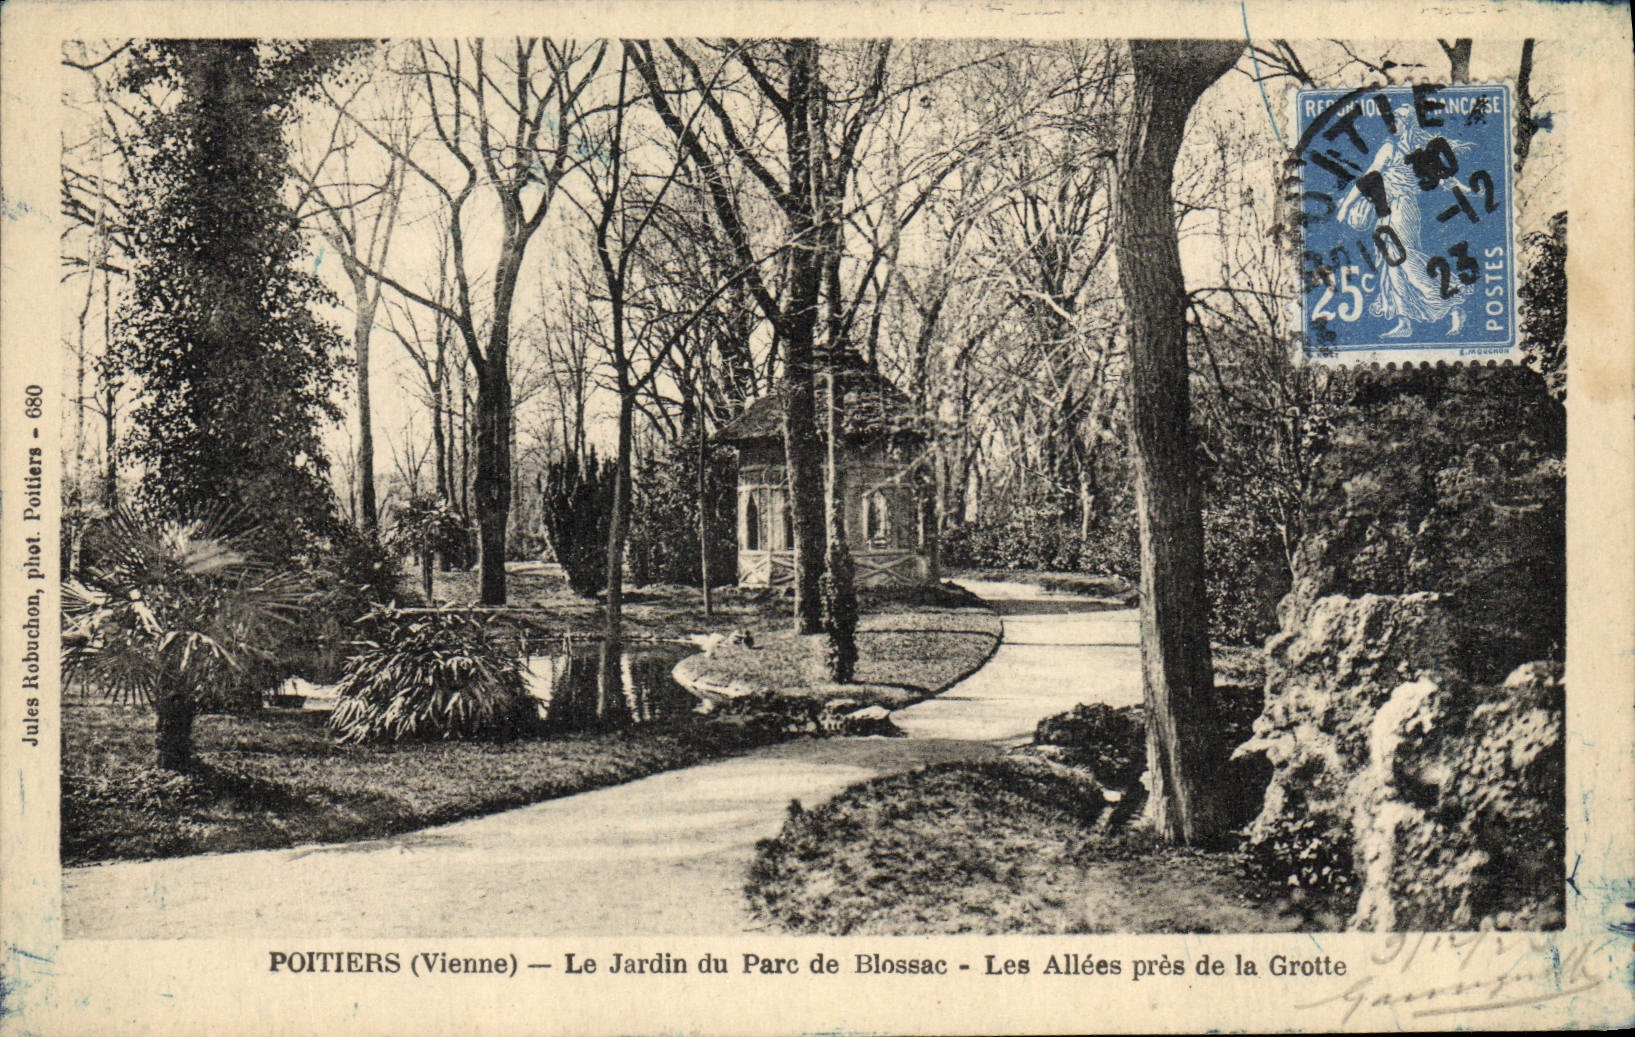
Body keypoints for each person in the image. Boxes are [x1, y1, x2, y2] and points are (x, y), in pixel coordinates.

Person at [1335, 104, 1472, 338]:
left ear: (1407, 123)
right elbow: (1370, 177)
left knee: (1405, 259)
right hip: (1385, 210)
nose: (1393, 123)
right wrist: (1346, 206)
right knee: (1392, 267)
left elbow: (1441, 178)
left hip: (1403, 209)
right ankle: (1405, 321)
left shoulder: (1415, 152)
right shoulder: (1389, 147)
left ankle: (1453, 300)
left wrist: (1466, 188)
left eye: (1398, 118)